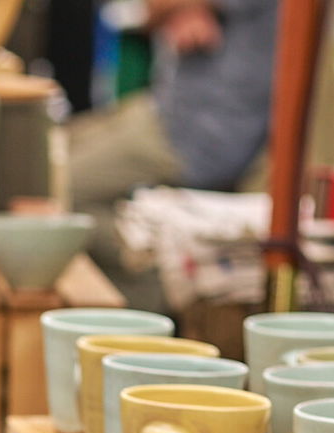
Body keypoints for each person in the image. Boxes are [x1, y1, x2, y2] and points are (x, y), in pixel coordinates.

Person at [67, 0, 279, 303]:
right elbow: (145, 16)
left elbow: (154, 6)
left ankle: (161, 293)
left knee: (59, 189)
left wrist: (176, 8)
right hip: (166, 108)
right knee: (46, 151)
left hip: (199, 135)